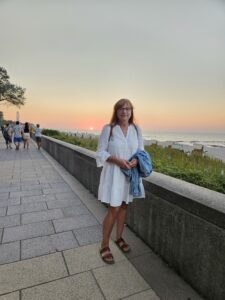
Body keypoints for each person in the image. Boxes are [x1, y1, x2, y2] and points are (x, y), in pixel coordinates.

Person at [96, 99, 145, 264]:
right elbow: (100, 152)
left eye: (128, 108)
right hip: (114, 175)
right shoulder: (108, 129)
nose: (125, 112)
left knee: (124, 206)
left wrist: (136, 161)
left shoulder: (137, 129)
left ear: (132, 111)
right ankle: (104, 245)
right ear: (116, 111)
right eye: (121, 109)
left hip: (130, 175)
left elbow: (141, 152)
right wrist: (116, 160)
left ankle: (118, 238)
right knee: (113, 209)